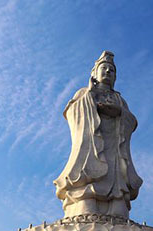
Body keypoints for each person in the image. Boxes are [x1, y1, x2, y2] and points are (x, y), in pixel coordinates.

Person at [54, 51, 143, 218]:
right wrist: (91, 99)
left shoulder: (119, 99)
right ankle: (86, 196)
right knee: (90, 174)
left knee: (116, 177)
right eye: (104, 68)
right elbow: (71, 112)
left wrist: (119, 113)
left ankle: (116, 199)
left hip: (114, 150)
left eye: (112, 70)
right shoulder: (84, 93)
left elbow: (131, 121)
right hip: (92, 147)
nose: (109, 72)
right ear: (94, 73)